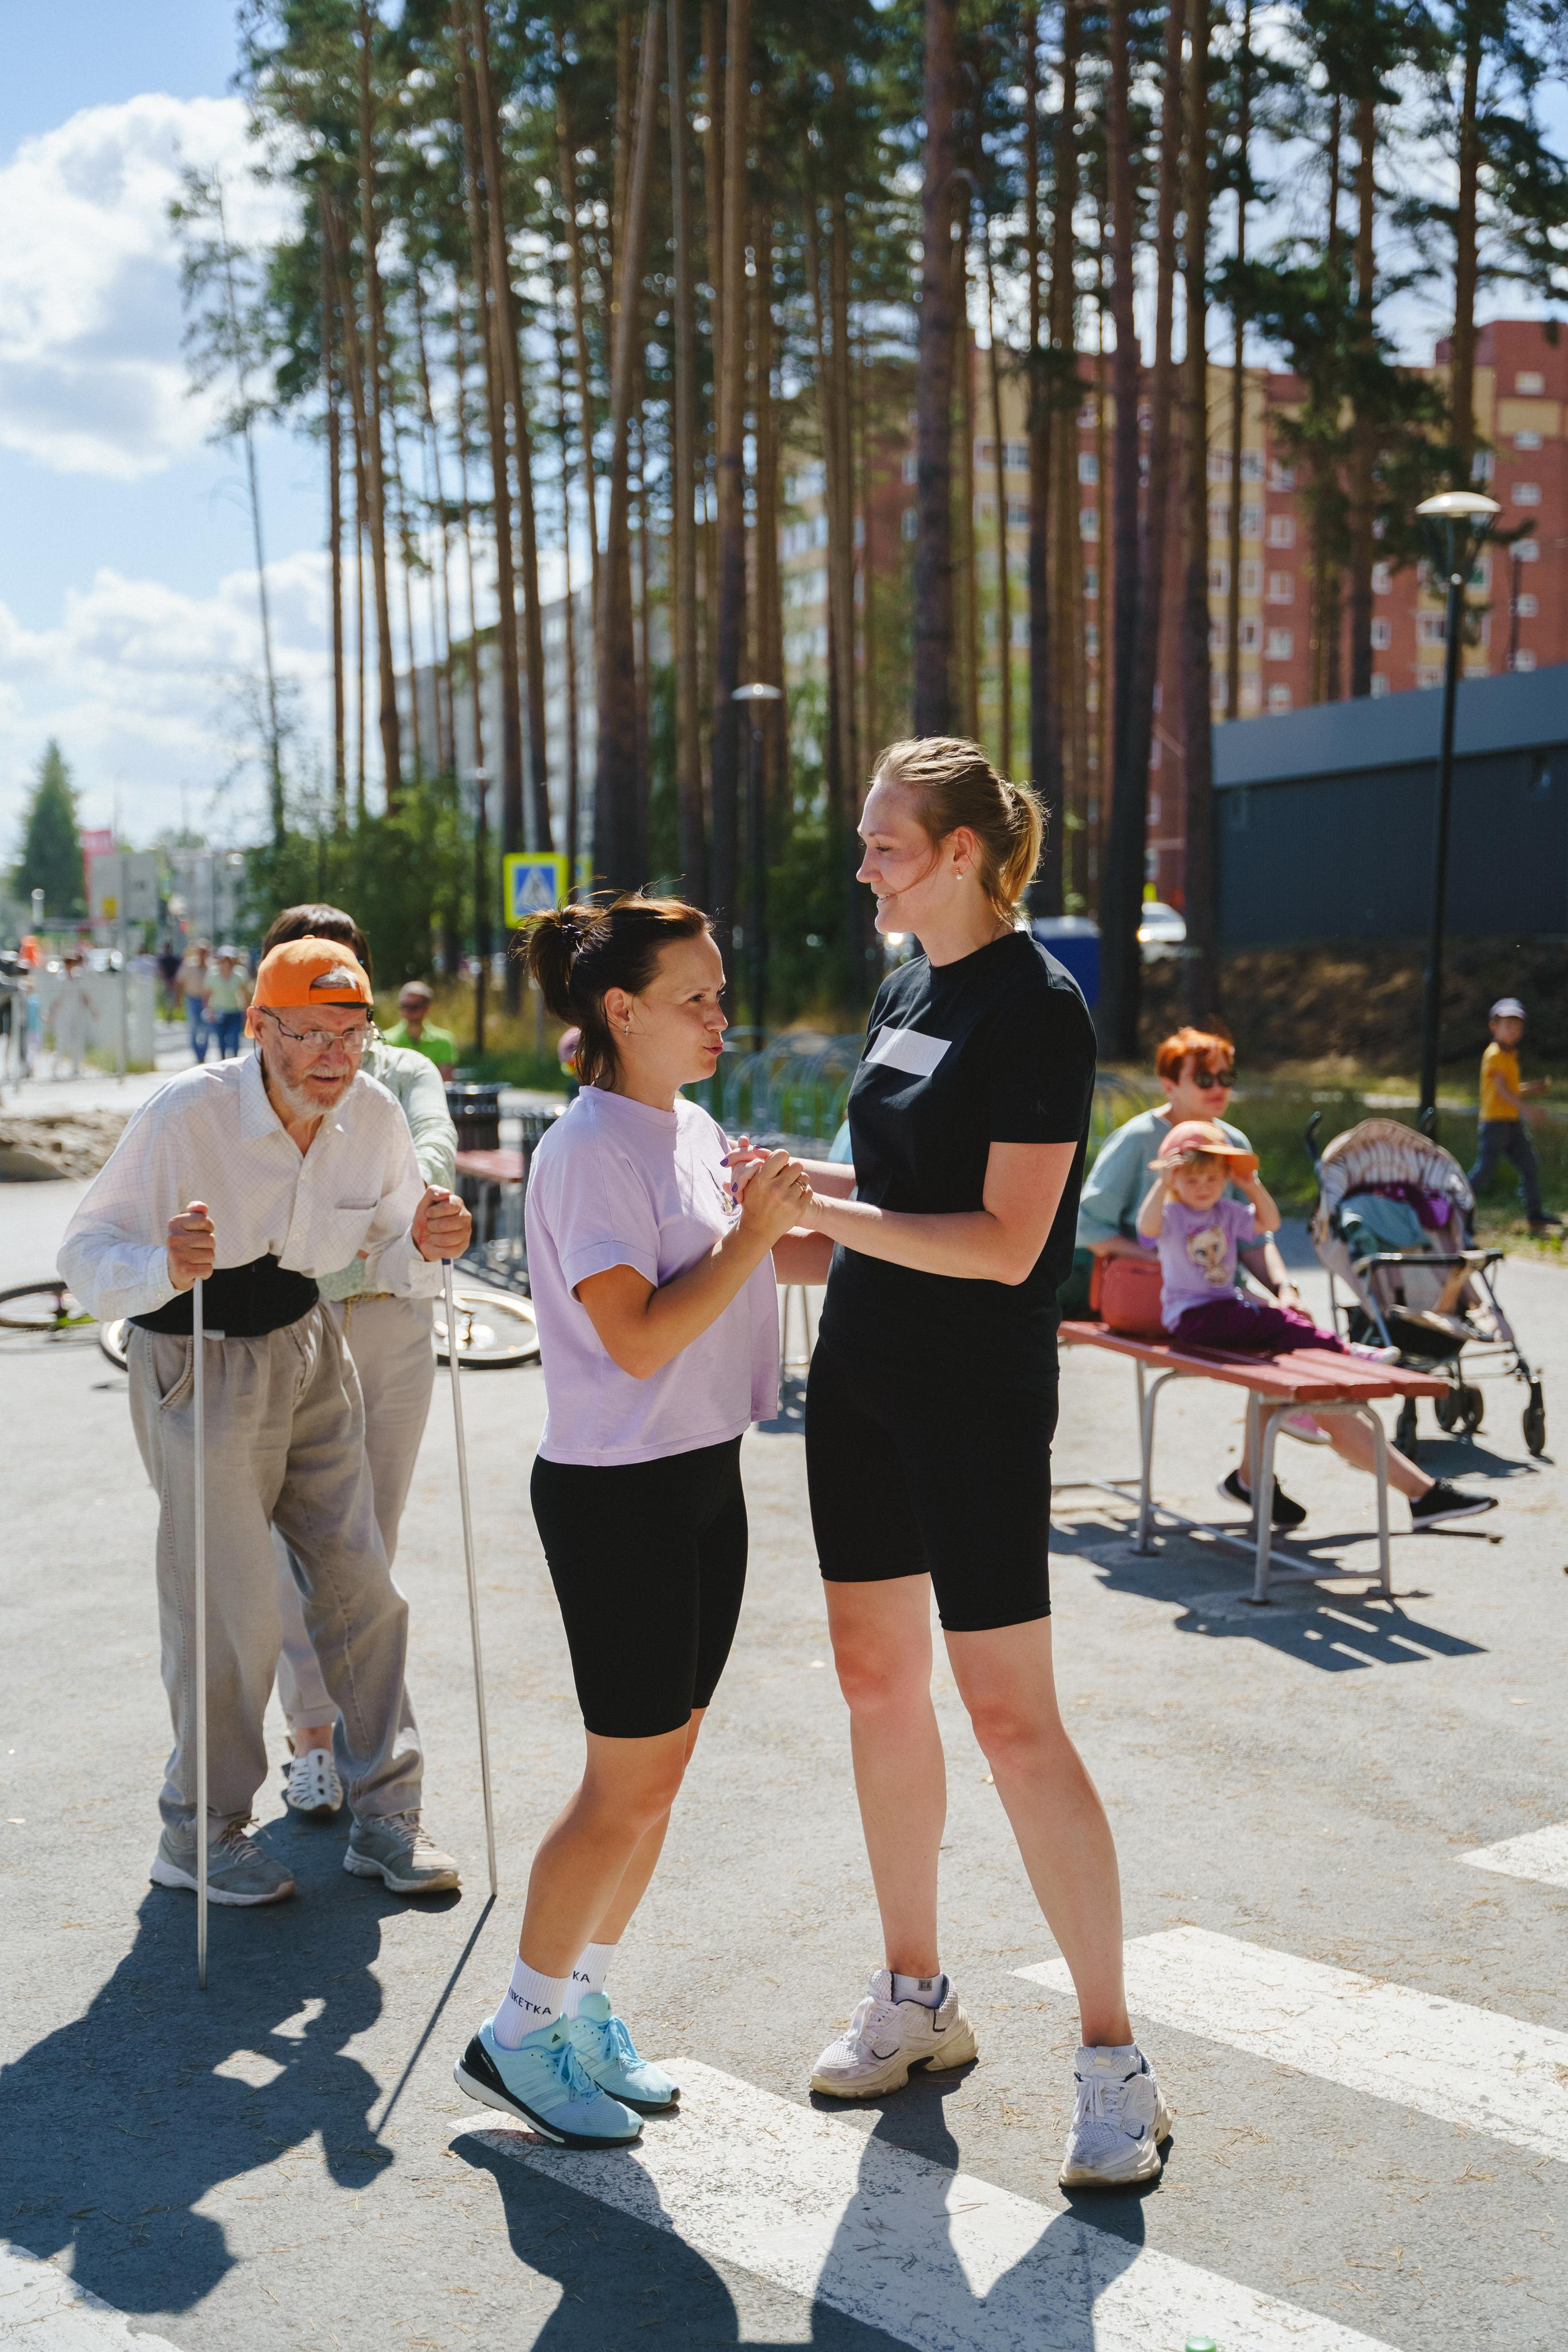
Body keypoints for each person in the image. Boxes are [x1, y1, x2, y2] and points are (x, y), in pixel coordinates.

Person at [780, 736, 1169, 2191]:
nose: (864, 862)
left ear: (958, 853)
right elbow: (885, 1189)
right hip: (861, 1382)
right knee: (875, 1684)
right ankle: (914, 1996)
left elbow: (1006, 1244)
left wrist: (828, 1214)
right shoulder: (903, 984)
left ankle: (1112, 2058)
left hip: (972, 1397)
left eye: (885, 841)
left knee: (1012, 1721)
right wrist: (775, 1188)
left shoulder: (1039, 1009)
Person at [453, 894, 809, 2149]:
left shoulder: (683, 1122)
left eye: (719, 991)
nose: (722, 1015)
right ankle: (515, 2033)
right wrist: (761, 1230)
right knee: (620, 1788)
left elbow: (761, 1257)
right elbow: (640, 1332)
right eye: (695, 998)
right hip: (619, 1490)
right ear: (620, 1011)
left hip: (701, 1474)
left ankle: (580, 2007)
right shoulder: (588, 1149)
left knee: (657, 1783)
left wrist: (913, 1237)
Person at [58, 936, 470, 1906]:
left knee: (361, 1582)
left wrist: (429, 1234)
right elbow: (84, 1255)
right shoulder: (185, 1113)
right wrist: (165, 1262)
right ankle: (197, 1832)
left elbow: (403, 1233)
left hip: (307, 1338)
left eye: (351, 1032)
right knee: (230, 1612)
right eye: (311, 1032)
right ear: (258, 1028)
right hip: (194, 1354)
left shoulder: (370, 1113)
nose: (335, 1053)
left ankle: (386, 1815)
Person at [257, 904, 458, 1822]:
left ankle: (360, 1733)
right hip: (291, 1321)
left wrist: (396, 1198)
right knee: (298, 1541)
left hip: (391, 1323)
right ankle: (314, 1742)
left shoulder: (401, 1071)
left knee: (368, 1540)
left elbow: (432, 1147)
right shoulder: (244, 1084)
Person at [1137, 1125, 1497, 1530]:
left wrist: (1250, 1184)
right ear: (1174, 1179)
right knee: (1272, 1322)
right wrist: (1162, 1183)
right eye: (1192, 1179)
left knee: (1284, 1324)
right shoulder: (1171, 1214)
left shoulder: (1227, 1212)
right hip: (1195, 1317)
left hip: (1226, 1310)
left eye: (1212, 1179)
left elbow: (1268, 1223)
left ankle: (1319, 1392)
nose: (1203, 1187)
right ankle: (1320, 1398)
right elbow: (1147, 1229)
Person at [1468, 997, 1555, 1232]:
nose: (1513, 1030)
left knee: (1529, 1164)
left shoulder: (1509, 1055)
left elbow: (1511, 1088)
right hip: (1494, 1123)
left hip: (1511, 1122)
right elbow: (1501, 1090)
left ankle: (1535, 1215)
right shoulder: (1494, 1054)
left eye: (1517, 1026)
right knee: (1484, 1171)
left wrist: (1532, 1089)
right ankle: (1455, 1208)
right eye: (1508, 1025)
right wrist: (1526, 1109)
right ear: (1494, 1027)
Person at [383, 980, 457, 1069]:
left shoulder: (444, 1041)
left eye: (414, 1007)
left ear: (427, 1008)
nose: (408, 1011)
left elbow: (445, 1080)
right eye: (404, 1006)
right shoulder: (385, 1040)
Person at [205, 948, 252, 1060]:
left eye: (229, 960)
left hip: (235, 1010)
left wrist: (247, 1011)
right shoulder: (213, 974)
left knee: (235, 1037)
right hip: (219, 1011)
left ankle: (234, 1058)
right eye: (223, 960)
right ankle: (222, 1059)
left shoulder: (240, 973)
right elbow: (208, 994)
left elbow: (244, 993)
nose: (226, 963)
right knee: (221, 1038)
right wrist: (209, 1011)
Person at [177, 938, 213, 1063]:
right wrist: (178, 1000)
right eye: (201, 951)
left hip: (207, 1001)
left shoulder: (212, 966)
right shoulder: (189, 965)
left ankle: (203, 1053)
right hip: (192, 999)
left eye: (205, 951)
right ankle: (198, 1054)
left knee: (207, 1028)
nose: (203, 954)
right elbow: (180, 983)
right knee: (193, 1027)